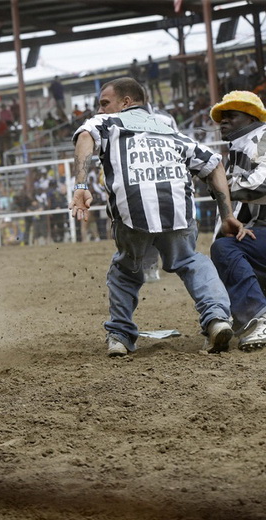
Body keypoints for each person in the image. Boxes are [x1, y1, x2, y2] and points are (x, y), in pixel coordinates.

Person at [69, 77, 251, 357]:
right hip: (177, 209)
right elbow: (213, 163)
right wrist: (226, 214)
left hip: (132, 212)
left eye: (105, 103)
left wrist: (80, 185)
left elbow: (84, 137)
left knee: (125, 271)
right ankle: (216, 320)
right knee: (191, 261)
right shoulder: (169, 129)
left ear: (126, 102)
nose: (101, 109)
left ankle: (119, 335)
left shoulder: (105, 123)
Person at [207, 91, 266, 351]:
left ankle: (258, 319)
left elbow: (261, 185)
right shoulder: (239, 148)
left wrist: (219, 183)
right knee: (226, 245)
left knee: (225, 248)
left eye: (231, 115)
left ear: (251, 116)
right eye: (221, 117)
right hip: (260, 235)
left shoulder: (263, 137)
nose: (223, 121)